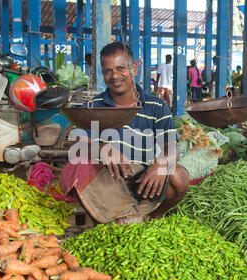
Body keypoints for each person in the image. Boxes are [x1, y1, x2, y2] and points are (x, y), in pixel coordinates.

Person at [60, 41, 189, 225]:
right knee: (75, 168)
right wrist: (102, 148)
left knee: (178, 175)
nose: (114, 76)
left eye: (121, 68)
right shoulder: (93, 106)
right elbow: (77, 145)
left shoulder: (156, 106)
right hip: (108, 184)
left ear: (134, 67)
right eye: (108, 71)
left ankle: (152, 218)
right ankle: (114, 216)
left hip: (143, 183)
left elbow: (172, 148)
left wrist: (161, 164)